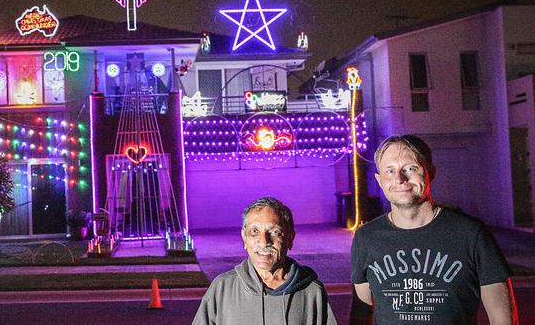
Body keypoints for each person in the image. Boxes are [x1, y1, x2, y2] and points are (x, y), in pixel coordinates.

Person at [351, 135, 517, 324]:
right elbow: (360, 316)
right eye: (390, 171)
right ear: (380, 181)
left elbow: (503, 319)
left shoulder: (471, 234)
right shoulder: (366, 238)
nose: (399, 178)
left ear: (431, 172)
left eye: (410, 168)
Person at [192, 197, 337, 325]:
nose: (263, 242)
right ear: (244, 238)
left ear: (290, 237)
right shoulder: (222, 288)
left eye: (274, 232)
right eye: (254, 232)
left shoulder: (311, 291)